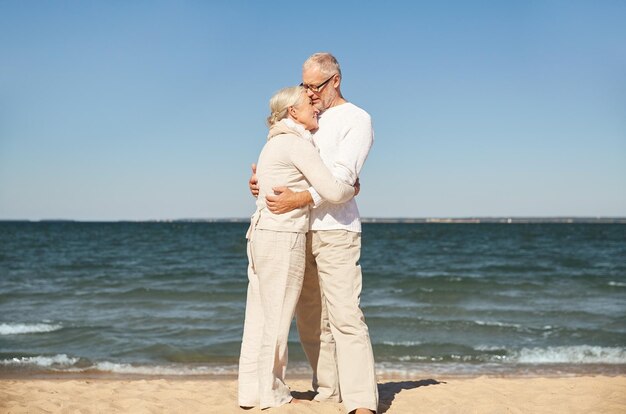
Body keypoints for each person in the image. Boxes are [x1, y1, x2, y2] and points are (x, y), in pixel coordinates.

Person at [249, 52, 378, 414]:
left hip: (336, 230)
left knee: (345, 316)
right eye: (304, 85)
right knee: (309, 319)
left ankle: (361, 401)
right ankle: (329, 390)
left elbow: (341, 179)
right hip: (295, 231)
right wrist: (264, 184)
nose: (308, 93)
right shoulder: (310, 120)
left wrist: (300, 198)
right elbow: (291, 165)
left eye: (314, 86)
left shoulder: (357, 119)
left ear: (334, 80)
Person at [238, 85, 357, 410]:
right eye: (308, 102)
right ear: (293, 112)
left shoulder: (273, 144)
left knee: (259, 317)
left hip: (261, 235)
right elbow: (333, 190)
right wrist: (352, 186)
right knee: (276, 319)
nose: (314, 105)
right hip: (281, 237)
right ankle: (271, 392)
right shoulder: (295, 144)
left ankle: (250, 391)